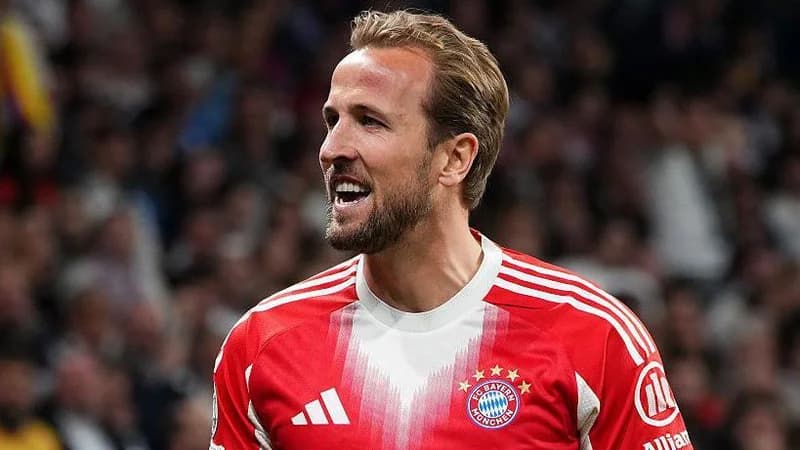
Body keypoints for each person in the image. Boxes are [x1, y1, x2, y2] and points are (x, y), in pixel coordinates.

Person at [211, 9, 693, 450]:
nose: (332, 148)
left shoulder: (592, 335)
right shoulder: (260, 346)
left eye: (369, 122)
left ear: (455, 158)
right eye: (332, 120)